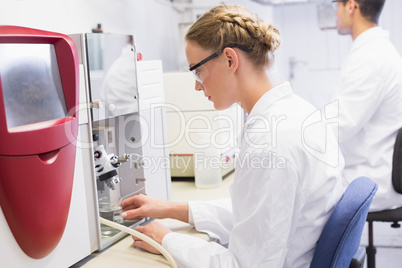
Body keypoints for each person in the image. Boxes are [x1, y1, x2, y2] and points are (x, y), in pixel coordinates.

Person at [121, 4, 344, 267]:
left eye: (197, 70)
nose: (196, 84)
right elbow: (252, 216)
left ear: (229, 60)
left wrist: (167, 239)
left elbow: (245, 265)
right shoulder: (295, 111)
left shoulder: (271, 143)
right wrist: (171, 209)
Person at [331, 0, 402, 211]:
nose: (335, 13)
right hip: (373, 168)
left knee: (302, 197)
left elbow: (340, 126)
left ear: (351, 6)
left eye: (337, 5)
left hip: (369, 177)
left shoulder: (370, 56)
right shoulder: (375, 51)